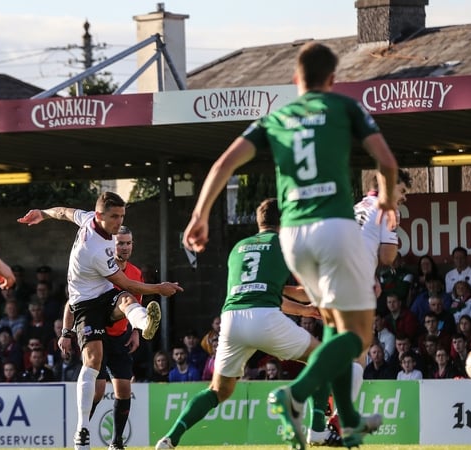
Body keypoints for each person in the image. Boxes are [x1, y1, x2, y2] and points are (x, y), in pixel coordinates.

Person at [179, 42, 398, 449]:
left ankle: (347, 424)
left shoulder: (275, 117)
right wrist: (385, 197)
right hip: (332, 226)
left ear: (295, 79)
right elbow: (386, 162)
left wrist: (200, 214)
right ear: (332, 80)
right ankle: (295, 395)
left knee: (333, 326)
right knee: (357, 337)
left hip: (294, 237)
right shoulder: (344, 108)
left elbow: (223, 164)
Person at [157, 198, 328, 449]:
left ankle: (170, 438)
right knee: (323, 357)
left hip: (231, 320)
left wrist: (305, 310)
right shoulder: (286, 243)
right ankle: (318, 430)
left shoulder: (239, 247)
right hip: (264, 317)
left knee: (219, 390)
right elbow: (299, 290)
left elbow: (265, 292)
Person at [18, 191, 182, 450]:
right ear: (100, 216)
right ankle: (82, 429)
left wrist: (43, 213)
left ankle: (143, 323)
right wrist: (159, 288)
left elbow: (64, 212)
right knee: (93, 360)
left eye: (122, 216)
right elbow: (124, 280)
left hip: (104, 296)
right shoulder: (94, 249)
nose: (118, 222)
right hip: (85, 305)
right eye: (114, 217)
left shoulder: (87, 220)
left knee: (126, 298)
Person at [85, 225, 144, 450]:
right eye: (121, 243)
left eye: (128, 243)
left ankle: (116, 442)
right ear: (111, 245)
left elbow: (137, 302)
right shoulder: (101, 269)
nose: (125, 247)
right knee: (98, 390)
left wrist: (136, 331)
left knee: (124, 389)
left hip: (121, 337)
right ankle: (81, 432)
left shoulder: (136, 273)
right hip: (98, 336)